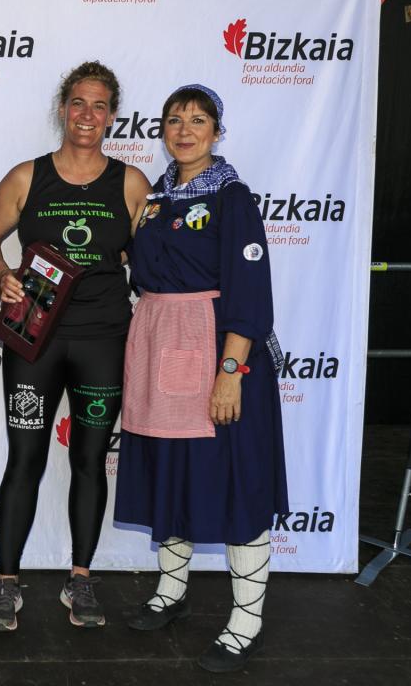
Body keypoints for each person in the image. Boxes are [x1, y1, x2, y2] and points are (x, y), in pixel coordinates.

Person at [116, 84, 288, 673]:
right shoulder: (154, 199)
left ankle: (247, 621)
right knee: (172, 471)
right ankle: (172, 591)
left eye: (197, 120)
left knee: (236, 483)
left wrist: (231, 372)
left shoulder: (232, 198)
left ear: (217, 130)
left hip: (217, 353)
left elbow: (250, 290)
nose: (184, 130)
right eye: (174, 120)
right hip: (160, 347)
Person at [0, 61, 150, 631]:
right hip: (34, 341)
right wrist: (3, 276)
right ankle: (7, 583)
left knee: (90, 460)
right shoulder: (27, 176)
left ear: (112, 116)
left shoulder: (131, 183)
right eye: (78, 102)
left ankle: (81, 578)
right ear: (62, 108)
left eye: (99, 106)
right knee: (24, 458)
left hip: (104, 340)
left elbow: (154, 259)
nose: (87, 115)